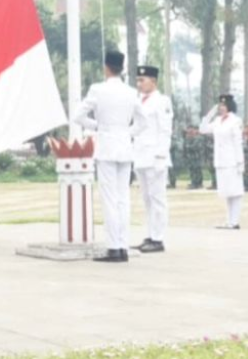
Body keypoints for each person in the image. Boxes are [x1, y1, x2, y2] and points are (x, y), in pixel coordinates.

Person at [73, 51, 145, 263]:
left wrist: (99, 127)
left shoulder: (98, 89)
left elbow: (78, 116)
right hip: (124, 146)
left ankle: (113, 247)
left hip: (106, 146)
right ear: (121, 68)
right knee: (123, 197)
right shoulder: (131, 92)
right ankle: (122, 245)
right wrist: (125, 133)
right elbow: (143, 123)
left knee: (109, 198)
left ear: (106, 67)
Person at [132, 65, 173, 253]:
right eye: (138, 80)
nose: (139, 83)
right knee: (147, 199)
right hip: (140, 155)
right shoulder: (138, 100)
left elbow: (165, 130)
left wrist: (161, 155)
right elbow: (136, 127)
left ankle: (158, 239)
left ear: (153, 81)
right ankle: (150, 235)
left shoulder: (162, 101)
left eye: (143, 80)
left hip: (155, 156)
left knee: (157, 199)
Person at [200, 94, 245, 229]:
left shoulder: (235, 121)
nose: (221, 108)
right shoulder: (218, 121)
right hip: (220, 160)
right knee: (227, 192)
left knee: (235, 192)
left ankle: (235, 221)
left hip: (232, 160)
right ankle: (229, 220)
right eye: (220, 105)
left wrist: (240, 162)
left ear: (230, 106)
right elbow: (202, 129)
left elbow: (238, 142)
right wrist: (211, 113)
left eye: (224, 105)